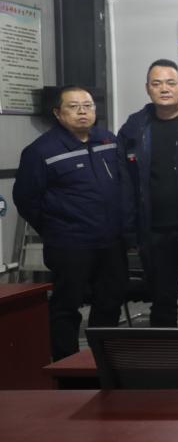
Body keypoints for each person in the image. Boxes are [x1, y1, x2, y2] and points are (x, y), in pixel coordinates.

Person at [15, 86, 132, 360]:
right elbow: (26, 199)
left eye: (88, 106)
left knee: (110, 301)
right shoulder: (41, 151)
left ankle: (103, 362)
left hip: (110, 241)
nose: (82, 112)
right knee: (66, 306)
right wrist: (55, 227)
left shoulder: (108, 140)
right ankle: (66, 366)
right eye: (74, 106)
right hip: (69, 244)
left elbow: (124, 184)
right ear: (58, 113)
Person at [117, 59, 178, 328]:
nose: (164, 89)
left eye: (171, 83)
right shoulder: (134, 127)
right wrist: (129, 229)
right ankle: (164, 352)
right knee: (162, 301)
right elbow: (125, 182)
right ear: (147, 88)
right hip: (154, 232)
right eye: (157, 83)